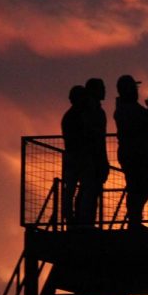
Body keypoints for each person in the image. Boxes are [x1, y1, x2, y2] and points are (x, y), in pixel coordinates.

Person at [113, 74, 148, 228]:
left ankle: (135, 219)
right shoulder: (126, 108)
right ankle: (134, 219)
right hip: (133, 154)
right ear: (126, 90)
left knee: (140, 185)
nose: (136, 90)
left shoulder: (129, 107)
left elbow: (145, 121)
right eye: (133, 87)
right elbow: (143, 123)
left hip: (138, 154)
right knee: (142, 185)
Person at [61, 78, 109, 226]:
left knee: (74, 189)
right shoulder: (88, 111)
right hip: (82, 155)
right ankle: (82, 221)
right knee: (87, 189)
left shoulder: (73, 114)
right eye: (101, 88)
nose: (104, 91)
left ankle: (73, 219)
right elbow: (93, 134)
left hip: (76, 155)